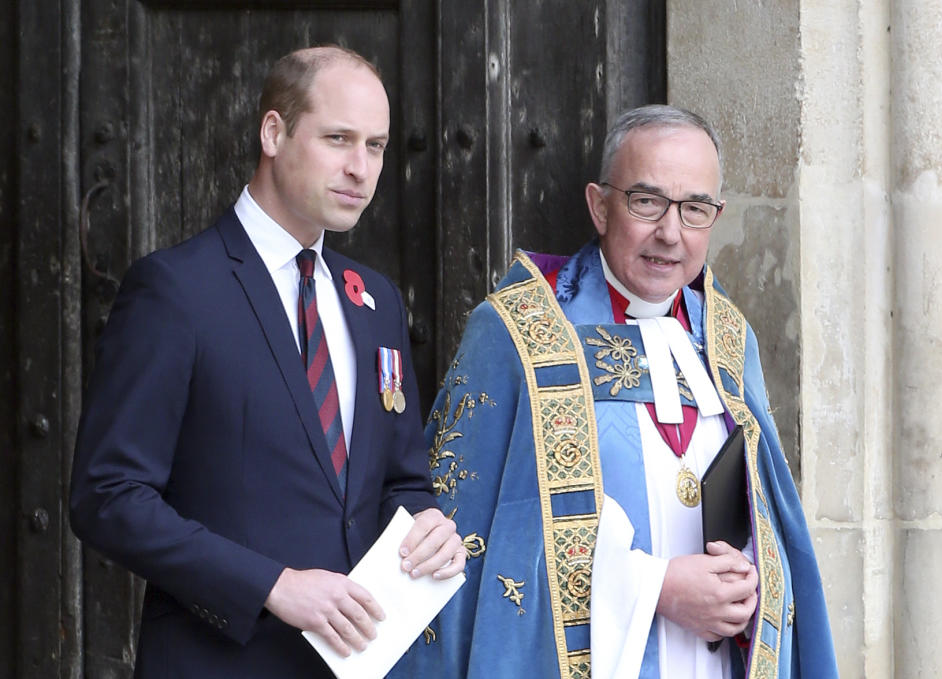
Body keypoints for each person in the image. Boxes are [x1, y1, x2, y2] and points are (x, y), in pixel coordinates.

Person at [390, 105, 838, 678]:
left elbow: (772, 519)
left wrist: (750, 578)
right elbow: (474, 538)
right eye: (646, 202)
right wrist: (656, 589)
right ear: (600, 206)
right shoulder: (520, 333)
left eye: (695, 209)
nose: (670, 233)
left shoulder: (727, 337)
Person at [70, 45, 465, 678]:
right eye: (339, 139)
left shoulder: (376, 302)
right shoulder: (175, 290)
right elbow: (108, 496)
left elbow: (400, 477)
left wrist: (428, 524)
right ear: (274, 132)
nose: (360, 168)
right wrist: (271, 585)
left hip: (363, 662)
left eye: (377, 146)